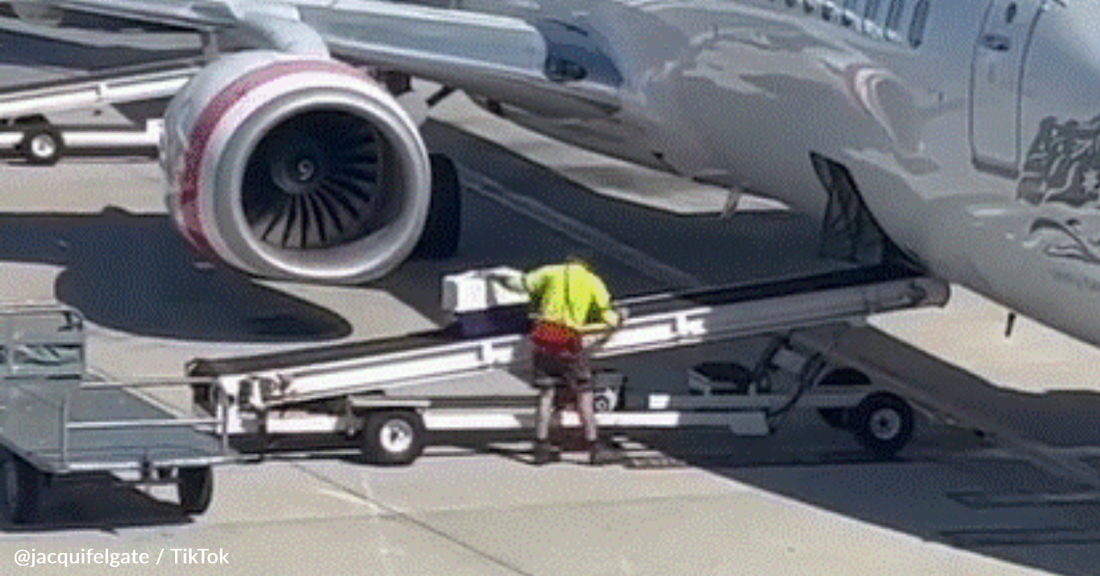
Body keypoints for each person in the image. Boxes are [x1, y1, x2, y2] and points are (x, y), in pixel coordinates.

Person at [492, 255, 623, 465]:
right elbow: (609, 318)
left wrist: (499, 278)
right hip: (568, 342)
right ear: (585, 266)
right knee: (584, 395)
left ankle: (541, 446)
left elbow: (521, 284)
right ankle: (594, 446)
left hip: (544, 338)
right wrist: (618, 318)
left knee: (546, 394)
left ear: (568, 262)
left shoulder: (551, 272)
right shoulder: (592, 281)